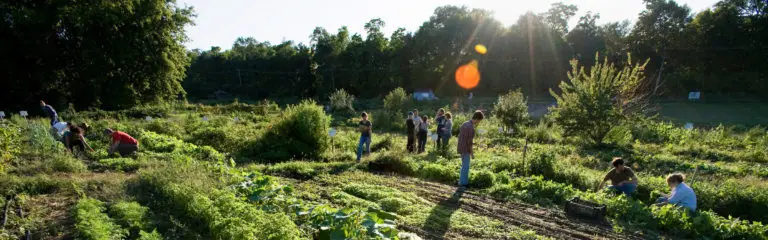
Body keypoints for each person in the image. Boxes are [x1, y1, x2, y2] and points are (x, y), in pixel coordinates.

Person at [457, 110, 484, 187]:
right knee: (466, 166)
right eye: (479, 121)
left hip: (461, 147)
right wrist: (472, 153)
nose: (479, 122)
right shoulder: (471, 128)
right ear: (477, 119)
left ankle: (461, 181)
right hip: (466, 149)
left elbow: (461, 137)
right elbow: (469, 143)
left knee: (463, 165)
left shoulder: (465, 123)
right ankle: (463, 183)